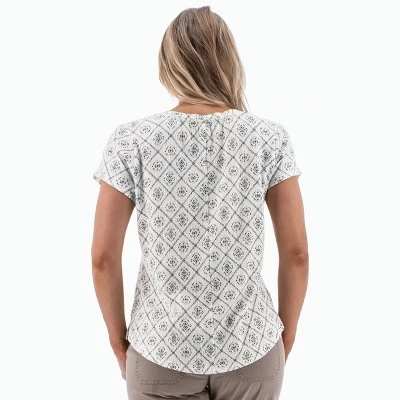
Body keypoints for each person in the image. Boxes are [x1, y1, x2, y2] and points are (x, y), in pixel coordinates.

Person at [91, 6, 309, 400]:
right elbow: (296, 254)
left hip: (159, 348)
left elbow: (103, 257)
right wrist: (285, 335)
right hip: (252, 347)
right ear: (229, 60)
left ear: (168, 65)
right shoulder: (269, 138)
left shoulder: (131, 140)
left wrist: (118, 341)